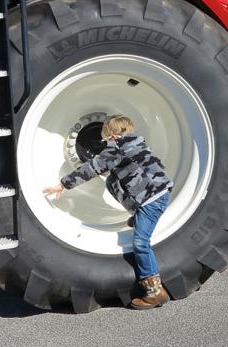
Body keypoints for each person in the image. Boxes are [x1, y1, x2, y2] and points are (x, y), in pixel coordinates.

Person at [43, 114, 174, 310]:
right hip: (162, 191)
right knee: (113, 180)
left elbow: (92, 168)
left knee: (140, 242)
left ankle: (154, 291)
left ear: (111, 134)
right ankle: (138, 215)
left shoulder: (116, 148)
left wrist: (63, 184)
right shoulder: (138, 142)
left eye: (105, 136)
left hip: (150, 201)